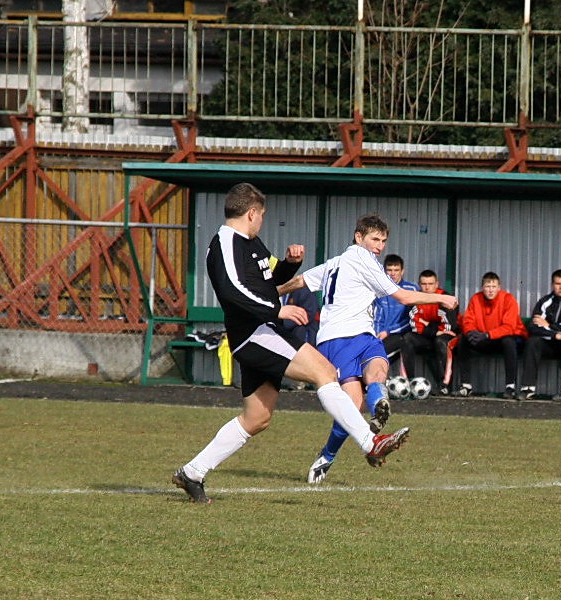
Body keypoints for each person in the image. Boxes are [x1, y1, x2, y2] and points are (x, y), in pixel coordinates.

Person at [171, 184, 410, 503]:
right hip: (254, 333)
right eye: (262, 216)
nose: (262, 222)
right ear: (251, 213)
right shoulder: (225, 243)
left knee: (257, 418)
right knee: (325, 371)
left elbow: (265, 284)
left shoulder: (250, 242)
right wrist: (276, 309)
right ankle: (370, 443)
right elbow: (231, 292)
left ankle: (193, 472)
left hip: (261, 330)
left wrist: (288, 265)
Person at [278, 214, 458, 484]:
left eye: (384, 240)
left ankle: (378, 407)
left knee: (378, 368)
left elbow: (302, 280)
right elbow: (403, 296)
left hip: (364, 333)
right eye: (375, 239)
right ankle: (328, 455)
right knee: (351, 406)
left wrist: (272, 290)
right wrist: (441, 297)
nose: (380, 245)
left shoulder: (335, 262)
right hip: (338, 337)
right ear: (359, 237)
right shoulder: (362, 258)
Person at [518, 269, 561, 401]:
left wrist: (549, 326)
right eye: (557, 283)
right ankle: (528, 387)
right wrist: (555, 335)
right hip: (552, 342)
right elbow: (533, 327)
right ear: (552, 285)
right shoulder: (545, 301)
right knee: (533, 341)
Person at [456, 272, 528, 399]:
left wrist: (488, 335)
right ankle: (465, 385)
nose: (490, 290)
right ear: (482, 287)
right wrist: (470, 332)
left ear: (499, 287)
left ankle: (510, 386)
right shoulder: (475, 299)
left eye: (493, 286)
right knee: (463, 339)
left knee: (508, 341)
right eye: (487, 286)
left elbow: (509, 327)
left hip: (504, 340)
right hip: (485, 339)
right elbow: (467, 321)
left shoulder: (508, 299)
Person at [400, 269, 459, 394]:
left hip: (446, 338)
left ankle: (445, 385)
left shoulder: (445, 298)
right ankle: (409, 382)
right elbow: (414, 324)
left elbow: (449, 326)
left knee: (441, 342)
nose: (427, 287)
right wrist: (434, 330)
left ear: (437, 284)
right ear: (419, 284)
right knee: (407, 338)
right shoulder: (415, 299)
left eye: (430, 284)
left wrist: (427, 325)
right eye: (424, 284)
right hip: (427, 336)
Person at [373, 254, 419, 375]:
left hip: (403, 334)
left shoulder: (411, 289)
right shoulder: (379, 291)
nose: (393, 273)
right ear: (384, 271)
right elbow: (377, 316)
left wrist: (388, 331)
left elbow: (412, 319)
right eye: (389, 270)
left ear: (402, 271)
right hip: (383, 334)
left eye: (396, 270)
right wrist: (376, 334)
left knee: (379, 354)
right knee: (371, 349)